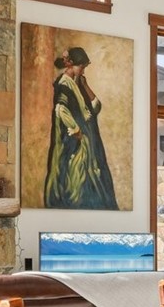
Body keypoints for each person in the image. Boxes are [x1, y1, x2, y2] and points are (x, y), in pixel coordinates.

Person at [43, 46, 117, 209]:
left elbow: (96, 108)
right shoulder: (64, 85)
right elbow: (60, 109)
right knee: (76, 180)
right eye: (81, 67)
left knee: (94, 177)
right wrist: (76, 130)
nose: (83, 71)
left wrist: (85, 86)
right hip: (74, 144)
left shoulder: (77, 84)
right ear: (70, 65)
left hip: (90, 142)